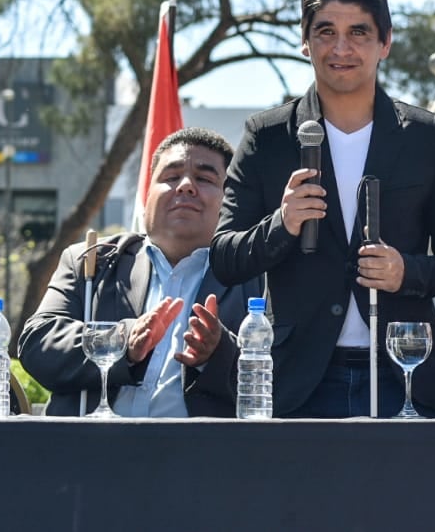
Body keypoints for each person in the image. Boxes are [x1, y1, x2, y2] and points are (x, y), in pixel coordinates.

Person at [211, 0, 435, 418]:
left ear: (385, 43)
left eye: (358, 32)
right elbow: (224, 255)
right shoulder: (268, 136)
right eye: (326, 32)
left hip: (402, 373)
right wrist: (283, 225)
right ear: (305, 42)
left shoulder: (425, 136)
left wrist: (407, 272)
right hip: (299, 382)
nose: (341, 48)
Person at [19, 128, 262, 416]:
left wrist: (218, 352)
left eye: (205, 178)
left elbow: (287, 376)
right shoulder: (91, 262)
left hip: (199, 454)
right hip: (91, 451)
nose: (185, 186)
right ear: (147, 195)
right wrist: (123, 340)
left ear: (230, 199)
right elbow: (37, 344)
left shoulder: (258, 273)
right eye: (171, 177)